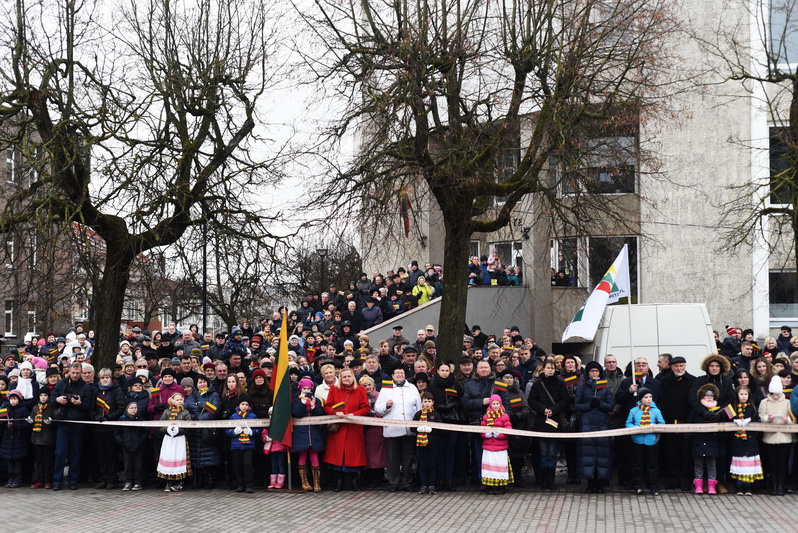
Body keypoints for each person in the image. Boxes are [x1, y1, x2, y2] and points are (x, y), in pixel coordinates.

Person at [375, 365, 422, 492]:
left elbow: (419, 407)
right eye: (397, 373)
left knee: (408, 458)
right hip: (392, 429)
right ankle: (393, 483)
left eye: (402, 373)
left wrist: (417, 424)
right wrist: (386, 405)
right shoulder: (386, 389)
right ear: (392, 375)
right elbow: (377, 408)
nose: (400, 375)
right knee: (392, 458)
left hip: (409, 429)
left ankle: (407, 482)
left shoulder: (412, 388)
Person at [324, 367, 370, 491]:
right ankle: (339, 483)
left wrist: (354, 414)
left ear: (353, 377)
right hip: (338, 429)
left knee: (353, 456)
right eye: (344, 377)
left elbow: (366, 407)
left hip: (354, 428)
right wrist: (335, 412)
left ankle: (354, 482)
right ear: (340, 378)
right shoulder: (334, 389)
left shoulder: (360, 389)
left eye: (349, 376)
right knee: (338, 456)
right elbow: (327, 406)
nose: (347, 379)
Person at [527, 358, 569, 491]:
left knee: (552, 452)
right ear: (543, 369)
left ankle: (551, 480)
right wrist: (543, 409)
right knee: (544, 452)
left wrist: (554, 410)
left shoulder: (560, 383)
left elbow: (565, 400)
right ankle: (544, 479)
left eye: (552, 368)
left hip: (555, 421)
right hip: (541, 421)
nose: (550, 370)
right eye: (548, 368)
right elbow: (531, 400)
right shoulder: (537, 384)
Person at [50, 361, 91, 490]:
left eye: (77, 373)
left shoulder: (86, 387)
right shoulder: (61, 384)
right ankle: (57, 481)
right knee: (60, 453)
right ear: (69, 372)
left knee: (76, 453)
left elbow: (88, 407)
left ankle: (73, 480)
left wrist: (79, 403)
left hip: (78, 423)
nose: (75, 375)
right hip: (63, 422)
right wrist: (58, 400)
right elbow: (52, 401)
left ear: (81, 373)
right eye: (73, 373)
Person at [575, 361, 614, 493]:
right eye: (592, 371)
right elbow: (577, 406)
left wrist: (600, 404)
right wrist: (589, 405)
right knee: (588, 453)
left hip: (602, 423)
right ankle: (590, 482)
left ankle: (600, 482)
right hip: (587, 422)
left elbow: (610, 406)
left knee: (602, 453)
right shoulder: (582, 387)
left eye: (596, 371)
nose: (594, 373)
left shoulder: (605, 387)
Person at [759, 375, 795, 495]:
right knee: (772, 462)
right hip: (770, 437)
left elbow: (792, 418)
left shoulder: (787, 402)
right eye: (774, 394)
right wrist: (767, 418)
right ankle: (774, 487)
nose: (776, 396)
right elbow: (761, 417)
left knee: (782, 463)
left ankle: (781, 486)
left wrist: (787, 420)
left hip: (784, 437)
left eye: (778, 394)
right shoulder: (764, 402)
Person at [625, 387, 665, 496]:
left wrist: (654, 426)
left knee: (652, 464)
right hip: (637, 441)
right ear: (640, 399)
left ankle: (653, 486)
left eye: (650, 397)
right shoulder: (634, 411)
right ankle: (637, 485)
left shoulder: (656, 411)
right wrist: (635, 428)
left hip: (652, 441)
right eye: (646, 397)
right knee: (638, 464)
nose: (649, 399)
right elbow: (628, 423)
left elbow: (662, 423)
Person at [726, 386, 762, 495]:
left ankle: (748, 487)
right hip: (737, 440)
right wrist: (735, 420)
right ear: (737, 395)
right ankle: (739, 487)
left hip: (750, 440)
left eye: (745, 394)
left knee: (749, 466)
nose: (743, 396)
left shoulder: (753, 407)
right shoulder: (732, 407)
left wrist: (750, 420)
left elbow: (758, 419)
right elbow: (727, 417)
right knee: (740, 465)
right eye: (741, 394)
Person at [291, 378, 326, 492]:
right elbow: (296, 413)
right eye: (304, 388)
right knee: (302, 455)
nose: (306, 390)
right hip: (301, 433)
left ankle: (316, 482)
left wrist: (313, 406)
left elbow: (320, 413)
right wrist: (302, 402)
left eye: (308, 389)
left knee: (314, 455)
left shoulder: (316, 400)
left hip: (314, 432)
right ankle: (304, 482)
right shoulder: (296, 400)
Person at [690, 384, 725, 495]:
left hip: (712, 441)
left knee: (712, 464)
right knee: (698, 464)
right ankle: (699, 485)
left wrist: (719, 417)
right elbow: (689, 423)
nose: (709, 397)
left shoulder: (718, 410)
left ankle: (711, 486)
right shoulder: (696, 410)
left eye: (711, 395)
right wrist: (687, 436)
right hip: (698, 440)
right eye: (707, 395)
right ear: (702, 396)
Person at [226, 395, 260, 493]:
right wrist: (234, 432)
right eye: (242, 404)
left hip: (249, 445)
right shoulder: (234, 416)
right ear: (239, 405)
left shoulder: (253, 416)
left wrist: (252, 432)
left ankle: (249, 485)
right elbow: (227, 431)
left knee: (247, 464)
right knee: (237, 465)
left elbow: (259, 429)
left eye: (246, 404)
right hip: (236, 445)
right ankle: (240, 484)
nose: (244, 407)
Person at [480, 394, 512, 495]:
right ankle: (490, 486)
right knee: (489, 468)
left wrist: (499, 435)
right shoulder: (486, 417)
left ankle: (500, 486)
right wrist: (487, 435)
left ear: (500, 404)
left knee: (500, 467)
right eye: (493, 404)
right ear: (490, 405)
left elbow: (508, 430)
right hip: (488, 447)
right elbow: (481, 430)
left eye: (497, 403)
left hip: (500, 447)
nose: (495, 406)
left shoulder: (505, 416)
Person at [411, 391, 443, 494]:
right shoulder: (418, 414)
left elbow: (441, 428)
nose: (427, 403)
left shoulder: (435, 414)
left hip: (433, 442)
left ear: (433, 402)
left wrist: (431, 430)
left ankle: (432, 485)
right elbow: (412, 427)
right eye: (425, 401)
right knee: (423, 464)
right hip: (421, 443)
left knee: (432, 464)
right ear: (422, 402)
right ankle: (423, 485)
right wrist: (418, 429)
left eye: (429, 401)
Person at [0, 390, 31, 488]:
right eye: (11, 399)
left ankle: (17, 478)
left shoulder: (23, 410)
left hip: (18, 439)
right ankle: (10, 478)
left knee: (17, 460)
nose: (12, 401)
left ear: (19, 399)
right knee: (9, 460)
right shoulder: (6, 409)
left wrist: (14, 425)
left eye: (15, 399)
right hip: (7, 439)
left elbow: (26, 424)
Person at [115, 401, 148, 491]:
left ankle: (138, 482)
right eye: (131, 408)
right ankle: (128, 481)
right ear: (127, 409)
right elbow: (117, 433)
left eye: (135, 408)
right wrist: (122, 442)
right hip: (126, 446)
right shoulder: (122, 420)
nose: (134, 410)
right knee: (127, 465)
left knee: (138, 465)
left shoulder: (140, 419)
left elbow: (146, 431)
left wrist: (141, 441)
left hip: (138, 446)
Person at [29, 389, 56, 489]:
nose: (43, 397)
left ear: (48, 397)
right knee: (39, 460)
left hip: (48, 438)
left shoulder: (51, 407)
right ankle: (40, 480)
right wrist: (30, 421)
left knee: (48, 460)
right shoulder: (35, 407)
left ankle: (48, 480)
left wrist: (51, 423)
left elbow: (55, 423)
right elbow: (32, 419)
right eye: (41, 395)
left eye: (45, 395)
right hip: (37, 437)